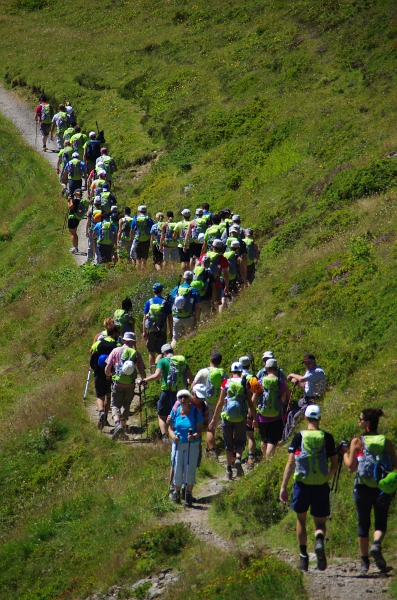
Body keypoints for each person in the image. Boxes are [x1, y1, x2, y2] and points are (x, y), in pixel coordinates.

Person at [279, 405, 338, 572]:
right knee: (320, 522)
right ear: (319, 418)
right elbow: (334, 465)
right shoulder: (327, 437)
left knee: (301, 521)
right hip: (320, 485)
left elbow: (291, 463)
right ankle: (319, 540)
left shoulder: (299, 437)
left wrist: (283, 487)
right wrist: (325, 479)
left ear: (305, 418)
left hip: (302, 484)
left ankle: (303, 558)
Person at [342, 408, 397, 573]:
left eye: (360, 419)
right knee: (380, 522)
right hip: (381, 488)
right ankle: (376, 544)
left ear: (367, 423)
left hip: (362, 487)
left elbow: (351, 467)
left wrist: (344, 453)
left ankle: (364, 563)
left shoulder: (357, 442)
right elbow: (395, 464)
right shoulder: (385, 442)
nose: (358, 421)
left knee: (363, 524)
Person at [208, 362, 256, 480]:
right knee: (239, 441)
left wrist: (214, 419)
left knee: (228, 445)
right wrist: (254, 418)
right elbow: (250, 403)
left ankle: (229, 469)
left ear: (231, 371)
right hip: (240, 417)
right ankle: (238, 458)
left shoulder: (226, 382)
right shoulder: (245, 383)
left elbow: (220, 403)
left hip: (226, 417)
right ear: (241, 372)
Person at [140, 344, 193, 442]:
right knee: (180, 413)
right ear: (172, 351)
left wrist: (144, 380)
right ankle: (182, 434)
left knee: (162, 415)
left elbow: (156, 375)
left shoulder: (162, 361)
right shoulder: (182, 360)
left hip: (167, 392)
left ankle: (165, 437)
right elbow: (191, 378)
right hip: (182, 393)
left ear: (164, 353)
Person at [168, 384, 209, 500]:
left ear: (189, 398)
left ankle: (188, 494)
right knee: (177, 467)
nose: (183, 399)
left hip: (192, 444)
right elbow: (170, 428)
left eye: (185, 397)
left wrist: (194, 436)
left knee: (190, 468)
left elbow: (201, 429)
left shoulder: (196, 412)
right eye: (180, 397)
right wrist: (173, 437)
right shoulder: (175, 410)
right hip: (177, 444)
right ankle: (176, 492)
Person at [104, 332, 146, 440]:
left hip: (117, 383)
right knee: (126, 405)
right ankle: (122, 432)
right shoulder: (136, 353)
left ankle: (117, 424)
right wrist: (141, 380)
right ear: (133, 342)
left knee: (115, 405)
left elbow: (107, 368)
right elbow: (143, 373)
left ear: (123, 340)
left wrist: (110, 375)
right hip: (130, 384)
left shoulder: (115, 351)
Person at [250, 358, 288, 459]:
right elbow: (283, 399)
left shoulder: (260, 381)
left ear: (266, 368)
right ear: (277, 368)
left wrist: (251, 415)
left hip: (262, 416)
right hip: (276, 416)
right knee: (272, 440)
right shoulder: (280, 382)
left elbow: (253, 400)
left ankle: (264, 460)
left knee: (264, 440)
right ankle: (268, 462)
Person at [192, 351, 227, 459]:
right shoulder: (223, 374)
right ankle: (208, 449)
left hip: (205, 402)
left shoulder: (203, 372)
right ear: (220, 362)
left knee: (209, 428)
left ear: (210, 360)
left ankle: (212, 451)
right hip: (219, 403)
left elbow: (194, 385)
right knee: (212, 426)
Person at [283, 354, 326, 440]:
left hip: (313, 399)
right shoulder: (308, 372)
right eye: (305, 363)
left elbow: (302, 379)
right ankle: (284, 437)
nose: (307, 365)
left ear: (314, 362)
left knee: (296, 417)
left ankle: (288, 438)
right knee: (291, 414)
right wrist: (296, 382)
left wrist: (292, 375)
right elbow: (304, 385)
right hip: (305, 398)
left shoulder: (318, 371)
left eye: (309, 363)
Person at [90, 323, 121, 430]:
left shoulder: (99, 343)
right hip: (111, 374)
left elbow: (91, 351)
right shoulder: (117, 346)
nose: (119, 335)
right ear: (113, 333)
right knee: (108, 395)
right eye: (118, 333)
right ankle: (106, 417)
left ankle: (101, 412)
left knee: (99, 396)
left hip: (98, 372)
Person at [143, 283, 173, 369]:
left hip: (151, 330)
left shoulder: (149, 302)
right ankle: (157, 367)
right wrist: (171, 330)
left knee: (151, 352)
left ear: (153, 291)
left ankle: (152, 370)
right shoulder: (165, 302)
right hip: (162, 330)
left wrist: (144, 331)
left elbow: (145, 318)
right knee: (161, 352)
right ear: (162, 290)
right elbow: (170, 318)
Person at [169, 270, 201, 347]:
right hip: (189, 318)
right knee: (189, 338)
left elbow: (171, 301)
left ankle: (170, 356)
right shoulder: (194, 290)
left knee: (175, 339)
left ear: (183, 278)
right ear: (192, 279)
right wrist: (197, 320)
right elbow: (197, 308)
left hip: (176, 317)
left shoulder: (176, 289)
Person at [205, 239, 230, 314]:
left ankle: (206, 320)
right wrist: (227, 286)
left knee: (205, 303)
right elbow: (225, 275)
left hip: (205, 282)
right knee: (215, 304)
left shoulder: (205, 255)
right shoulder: (223, 259)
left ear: (212, 246)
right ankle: (214, 319)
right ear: (221, 248)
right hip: (217, 283)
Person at [191, 255, 216, 319]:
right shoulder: (209, 273)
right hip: (206, 299)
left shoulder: (194, 271)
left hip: (195, 298)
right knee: (206, 318)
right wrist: (213, 303)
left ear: (201, 262)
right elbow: (213, 289)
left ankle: (196, 328)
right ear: (208, 263)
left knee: (196, 318)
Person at [67, 189, 88, 254]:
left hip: (72, 217)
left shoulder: (76, 200)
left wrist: (69, 201)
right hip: (77, 218)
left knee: (72, 233)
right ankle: (75, 247)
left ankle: (75, 247)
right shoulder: (81, 200)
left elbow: (70, 207)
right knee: (75, 233)